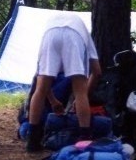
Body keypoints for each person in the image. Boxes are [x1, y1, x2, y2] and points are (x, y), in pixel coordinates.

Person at [26, 12, 102, 152]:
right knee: (80, 91)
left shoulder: (50, 28)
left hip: (50, 33)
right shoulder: (85, 35)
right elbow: (97, 72)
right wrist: (82, 99)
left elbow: (40, 78)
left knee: (40, 88)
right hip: (74, 36)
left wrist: (53, 101)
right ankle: (84, 137)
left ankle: (33, 140)